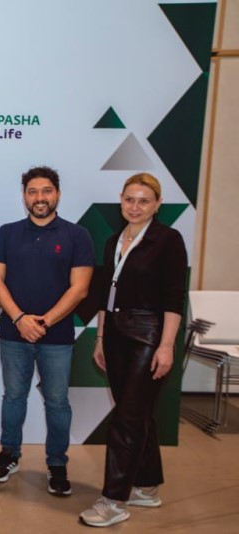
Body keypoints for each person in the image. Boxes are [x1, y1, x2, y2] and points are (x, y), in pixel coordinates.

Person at [80, 173, 187, 527]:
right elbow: (104, 295)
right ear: (121, 200)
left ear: (157, 205)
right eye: (129, 199)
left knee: (126, 418)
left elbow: (174, 298)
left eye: (144, 201)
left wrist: (166, 346)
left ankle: (113, 501)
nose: (135, 207)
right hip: (114, 333)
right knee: (138, 414)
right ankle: (147, 486)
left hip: (148, 334)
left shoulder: (168, 240)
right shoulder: (114, 240)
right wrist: (100, 338)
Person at [0, 166, 94, 496]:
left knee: (58, 402)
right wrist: (20, 319)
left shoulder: (77, 235)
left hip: (57, 337)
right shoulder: (7, 233)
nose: (39, 197)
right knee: (13, 397)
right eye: (32, 191)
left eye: (46, 190)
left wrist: (43, 322)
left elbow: (80, 289)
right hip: (13, 334)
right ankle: (9, 454)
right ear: (24, 196)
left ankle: (57, 463)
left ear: (57, 194)